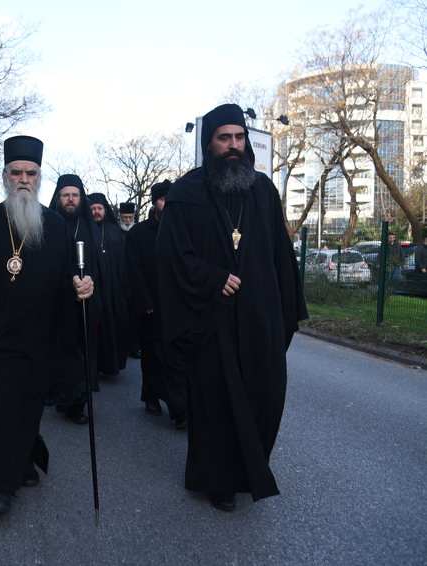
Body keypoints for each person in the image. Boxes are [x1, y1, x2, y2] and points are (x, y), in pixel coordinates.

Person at [156, 103, 307, 513]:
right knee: (217, 405)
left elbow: (280, 257)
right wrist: (211, 277)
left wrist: (286, 313)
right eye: (225, 138)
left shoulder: (263, 191)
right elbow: (172, 256)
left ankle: (247, 467)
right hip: (211, 320)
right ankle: (219, 480)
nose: (234, 146)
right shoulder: (186, 193)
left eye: (239, 137)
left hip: (258, 317)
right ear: (209, 144)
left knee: (266, 394)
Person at [0, 135, 94, 516]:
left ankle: (23, 462)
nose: (23, 180)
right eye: (16, 172)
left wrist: (83, 288)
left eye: (31, 173)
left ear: (39, 177)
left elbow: (71, 280)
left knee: (28, 409)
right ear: (4, 176)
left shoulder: (56, 227)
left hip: (39, 341)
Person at [125, 180, 187, 427]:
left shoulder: (182, 230)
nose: (168, 204)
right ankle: (154, 399)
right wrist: (143, 301)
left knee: (171, 358)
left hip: (176, 306)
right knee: (152, 355)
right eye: (163, 200)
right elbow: (133, 269)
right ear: (155, 203)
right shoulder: (139, 233)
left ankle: (179, 407)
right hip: (149, 305)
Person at [47, 173, 102, 424]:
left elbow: (99, 268)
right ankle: (52, 391)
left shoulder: (89, 227)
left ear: (81, 198)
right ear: (57, 198)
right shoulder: (48, 223)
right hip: (55, 302)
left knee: (81, 353)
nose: (70, 199)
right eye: (65, 195)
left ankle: (76, 403)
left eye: (75, 195)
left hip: (83, 303)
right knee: (54, 351)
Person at [89, 192, 129, 378]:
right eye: (93, 209)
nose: (96, 212)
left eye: (99, 208)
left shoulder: (115, 231)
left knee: (112, 326)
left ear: (105, 210)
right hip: (92, 289)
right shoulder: (85, 228)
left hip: (113, 290)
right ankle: (92, 366)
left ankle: (110, 365)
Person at [118, 201, 140, 359]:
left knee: (134, 318)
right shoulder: (116, 233)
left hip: (134, 280)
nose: (127, 220)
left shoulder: (138, 232)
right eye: (124, 217)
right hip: (119, 280)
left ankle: (134, 347)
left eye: (130, 217)